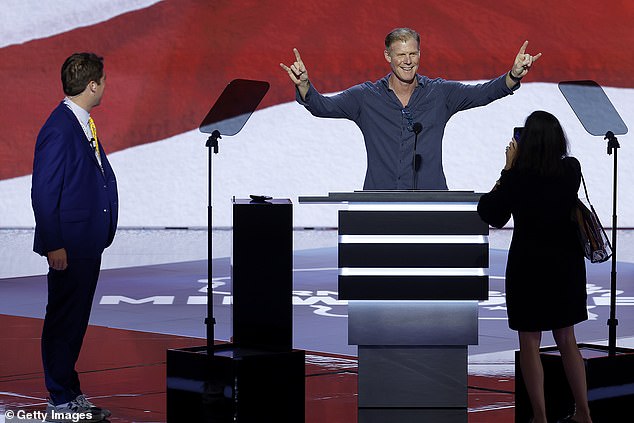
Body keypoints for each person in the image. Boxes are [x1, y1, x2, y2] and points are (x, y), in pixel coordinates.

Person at [280, 27, 541, 190]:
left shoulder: (439, 94)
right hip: (380, 204)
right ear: (387, 57)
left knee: (430, 277)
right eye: (400, 55)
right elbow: (322, 106)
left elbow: (483, 93)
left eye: (413, 54)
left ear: (419, 55)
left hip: (432, 204)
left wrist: (513, 75)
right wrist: (305, 85)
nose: (407, 61)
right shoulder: (365, 97)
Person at [477, 111, 592, 423]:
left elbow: (490, 213)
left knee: (530, 341)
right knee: (567, 338)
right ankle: (583, 412)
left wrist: (507, 168)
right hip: (565, 266)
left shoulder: (518, 177)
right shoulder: (571, 169)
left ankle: (539, 417)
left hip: (529, 267)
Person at [32, 52, 118, 422]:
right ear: (92, 84)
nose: (105, 86)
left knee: (75, 320)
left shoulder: (80, 122)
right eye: (103, 80)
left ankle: (69, 390)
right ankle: (60, 399)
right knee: (64, 321)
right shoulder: (59, 128)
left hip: (86, 241)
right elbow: (43, 191)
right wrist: (54, 244)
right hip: (69, 244)